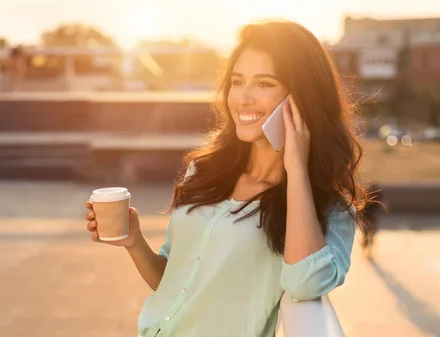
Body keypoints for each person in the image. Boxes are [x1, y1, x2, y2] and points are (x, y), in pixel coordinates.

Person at [84, 20, 368, 337]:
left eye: (264, 84)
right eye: (237, 81)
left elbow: (305, 283)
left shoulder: (330, 208)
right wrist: (134, 241)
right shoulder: (205, 172)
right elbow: (173, 282)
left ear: (300, 98)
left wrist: (297, 169)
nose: (243, 97)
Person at [361, 183, 384, 259]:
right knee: (370, 235)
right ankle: (368, 249)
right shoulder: (379, 197)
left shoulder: (367, 196)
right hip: (372, 218)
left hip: (368, 218)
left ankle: (366, 248)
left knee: (367, 235)